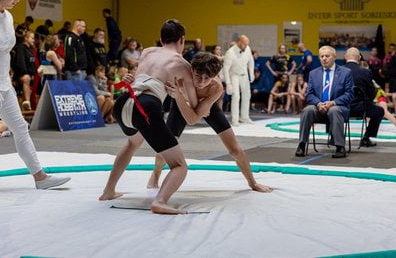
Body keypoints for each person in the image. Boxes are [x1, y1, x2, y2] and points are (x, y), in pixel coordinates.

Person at [0, 0, 70, 189]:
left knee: (20, 127)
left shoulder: (8, 17)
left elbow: (4, 52)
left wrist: (4, 80)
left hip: (3, 81)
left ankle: (40, 177)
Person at [99, 19, 198, 214]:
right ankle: (160, 201)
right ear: (182, 40)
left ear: (161, 39)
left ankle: (108, 191)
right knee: (179, 166)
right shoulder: (182, 64)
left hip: (124, 101)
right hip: (146, 107)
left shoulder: (147, 52)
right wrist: (180, 93)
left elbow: (140, 77)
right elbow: (193, 103)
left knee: (132, 143)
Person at [145, 53, 272, 192]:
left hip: (207, 105)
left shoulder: (215, 87)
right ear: (191, 70)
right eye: (198, 76)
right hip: (181, 104)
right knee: (166, 148)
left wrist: (192, 104)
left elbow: (193, 119)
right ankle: (156, 174)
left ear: (214, 77)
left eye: (207, 78)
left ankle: (252, 182)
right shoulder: (179, 76)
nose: (201, 82)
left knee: (235, 149)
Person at [295, 46, 354, 158]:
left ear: (334, 57)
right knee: (307, 110)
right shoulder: (313, 73)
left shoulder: (346, 73)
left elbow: (349, 94)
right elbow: (309, 94)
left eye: (327, 56)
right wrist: (318, 103)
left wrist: (332, 102)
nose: (324, 58)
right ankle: (302, 144)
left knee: (334, 110)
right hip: (318, 107)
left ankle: (340, 147)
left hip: (338, 107)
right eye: (322, 56)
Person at [344, 47, 384, 147]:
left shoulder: (336, 71)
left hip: (341, 108)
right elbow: (371, 92)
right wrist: (368, 102)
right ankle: (366, 138)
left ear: (345, 57)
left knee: (331, 109)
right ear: (359, 58)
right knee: (380, 111)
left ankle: (333, 137)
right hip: (360, 108)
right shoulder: (365, 72)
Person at [223, 35, 255, 126]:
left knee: (247, 95)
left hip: (244, 75)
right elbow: (226, 69)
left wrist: (251, 73)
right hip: (234, 75)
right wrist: (228, 83)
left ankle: (244, 117)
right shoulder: (230, 52)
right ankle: (235, 119)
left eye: (247, 44)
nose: (246, 46)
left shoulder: (247, 48)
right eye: (244, 44)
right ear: (239, 42)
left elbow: (251, 61)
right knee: (236, 96)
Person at [13, 30, 37, 110]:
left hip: (29, 75)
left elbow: (32, 63)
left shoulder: (30, 49)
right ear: (26, 38)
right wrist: (25, 73)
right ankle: (27, 102)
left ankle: (25, 106)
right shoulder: (20, 47)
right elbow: (21, 61)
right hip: (20, 74)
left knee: (28, 85)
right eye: (32, 38)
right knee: (26, 79)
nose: (34, 40)